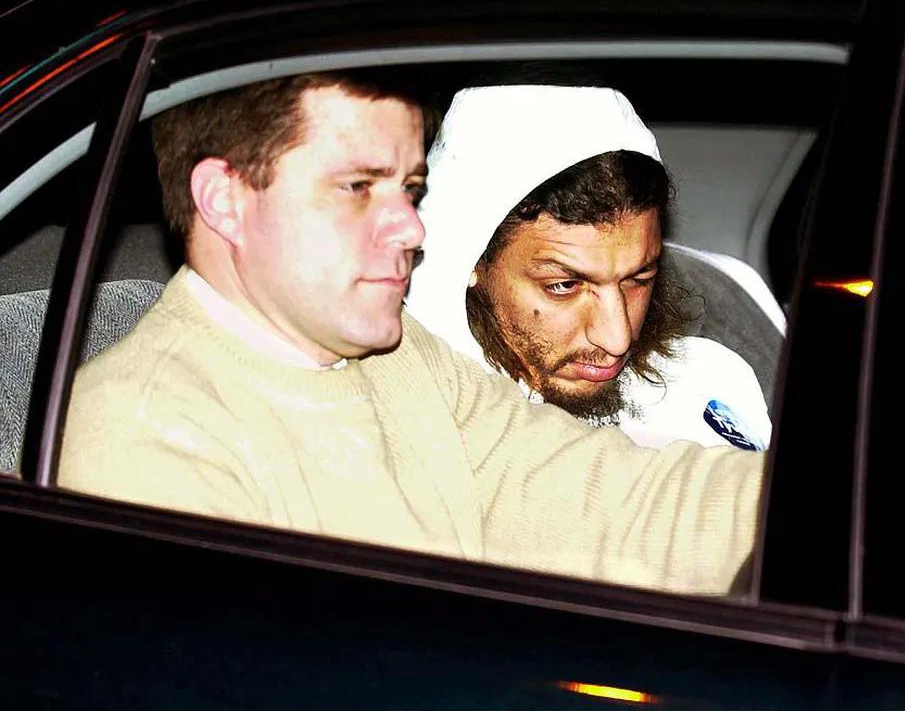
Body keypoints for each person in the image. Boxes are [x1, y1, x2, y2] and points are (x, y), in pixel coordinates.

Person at [58, 72, 764, 595]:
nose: (412, 228)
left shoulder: (399, 359)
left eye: (410, 188)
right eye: (358, 188)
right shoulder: (146, 436)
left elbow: (619, 502)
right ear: (225, 200)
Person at [406, 84, 770, 450]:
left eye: (638, 279)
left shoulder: (710, 376)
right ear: (472, 262)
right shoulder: (423, 426)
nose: (617, 338)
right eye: (564, 286)